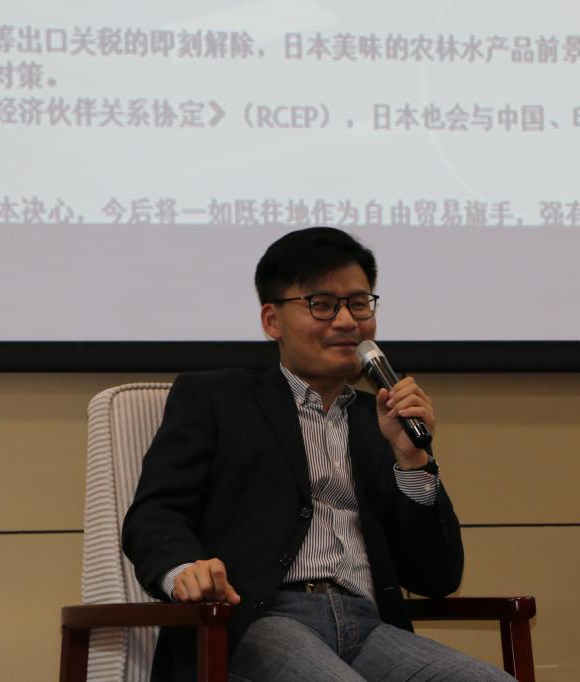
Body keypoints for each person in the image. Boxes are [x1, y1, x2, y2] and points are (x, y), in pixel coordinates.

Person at [122, 227, 514, 681]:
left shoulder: (379, 420)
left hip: (369, 626)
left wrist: (413, 461)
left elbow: (436, 578)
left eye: (359, 304)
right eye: (322, 304)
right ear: (272, 320)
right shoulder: (217, 397)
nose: (347, 322)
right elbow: (155, 515)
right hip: (256, 621)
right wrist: (184, 572)